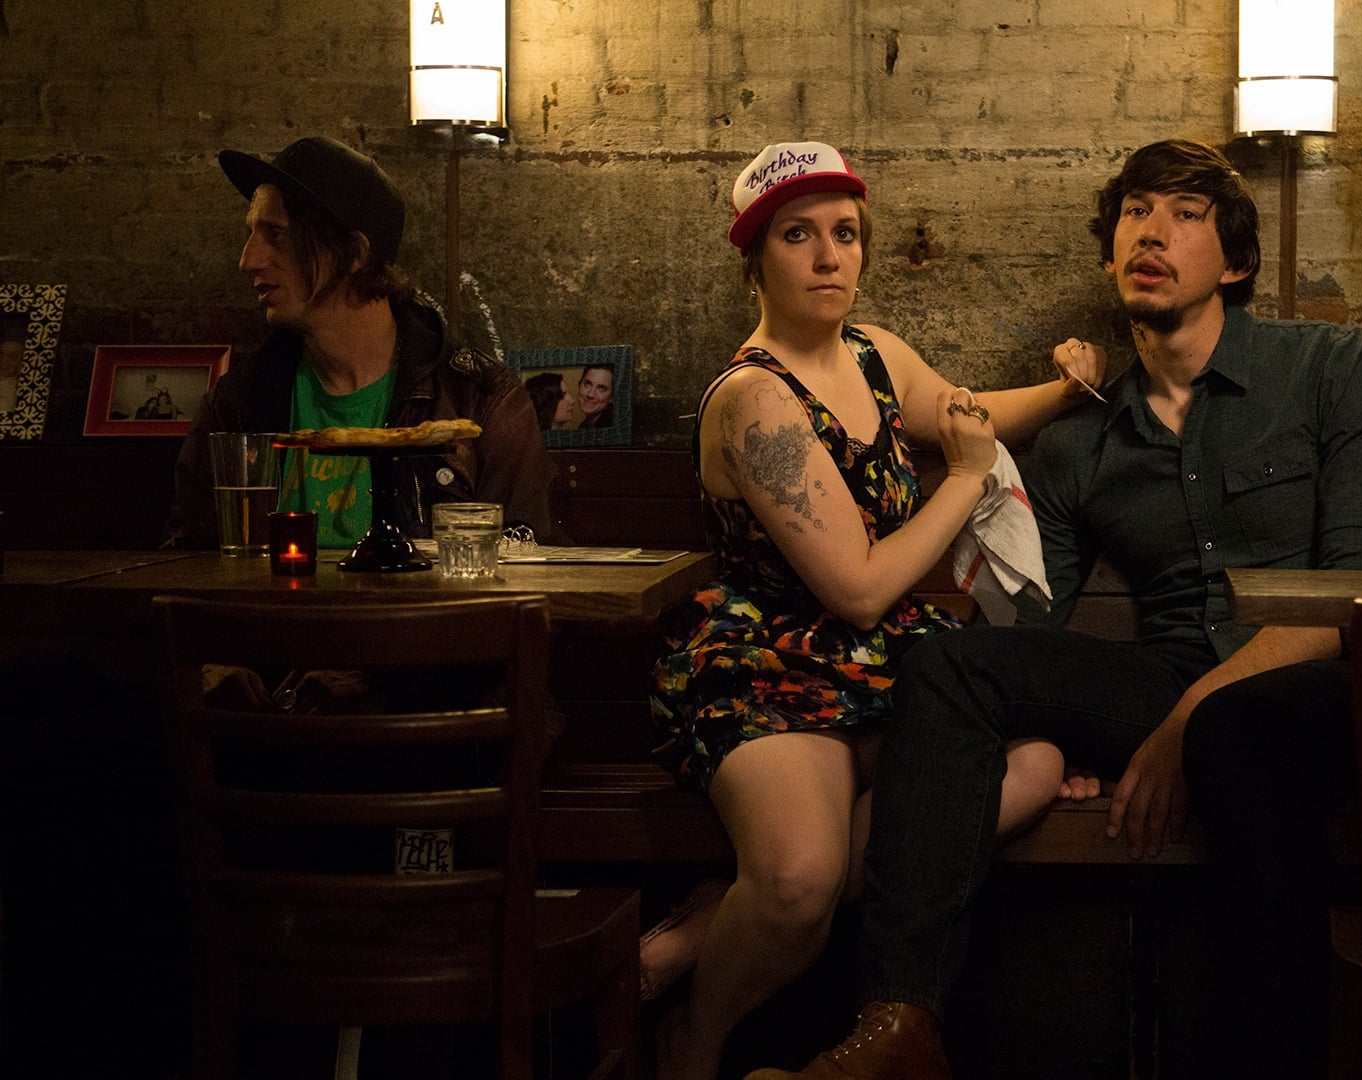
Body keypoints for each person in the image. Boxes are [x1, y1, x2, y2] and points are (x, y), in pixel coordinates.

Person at [749, 138, 1362, 1080]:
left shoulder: (1333, 369)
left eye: (1185, 215)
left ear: (1235, 262)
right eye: (1136, 212)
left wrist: (1185, 724)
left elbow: (1357, 597)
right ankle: (899, 1025)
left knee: (1234, 732)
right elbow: (1030, 627)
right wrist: (1041, 735)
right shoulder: (1083, 443)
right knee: (952, 664)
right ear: (1110, 256)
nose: (1152, 231)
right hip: (1171, 682)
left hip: (1324, 690)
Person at [645, 141, 1107, 1080]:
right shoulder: (753, 399)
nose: (829, 257)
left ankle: (711, 916)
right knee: (798, 881)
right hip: (773, 660)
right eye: (798, 236)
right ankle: (694, 1035)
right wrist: (967, 480)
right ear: (755, 259)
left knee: (1033, 765)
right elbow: (855, 588)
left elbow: (968, 415)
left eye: (846, 234)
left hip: (885, 660)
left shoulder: (874, 353)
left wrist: (1071, 388)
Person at [164, 136, 555, 550]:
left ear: (353, 253)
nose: (248, 260)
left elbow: (526, 560)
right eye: (251, 233)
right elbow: (186, 565)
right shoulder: (237, 405)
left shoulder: (479, 399)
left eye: (276, 235)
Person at [575, 362, 616, 428]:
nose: (590, 394)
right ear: (579, 385)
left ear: (612, 397)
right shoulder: (584, 426)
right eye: (587, 384)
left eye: (601, 389)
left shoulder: (611, 426)